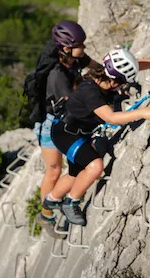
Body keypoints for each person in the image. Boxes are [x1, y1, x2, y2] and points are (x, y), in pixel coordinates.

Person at [44, 48, 150, 226]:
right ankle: (70, 202)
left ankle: (52, 199)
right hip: (67, 134)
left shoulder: (102, 73)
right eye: (123, 83)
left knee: (75, 173)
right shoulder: (91, 92)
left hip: (73, 132)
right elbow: (111, 118)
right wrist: (142, 113)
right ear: (113, 81)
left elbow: (136, 65)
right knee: (95, 166)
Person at [27, 21, 98, 238]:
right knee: (54, 170)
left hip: (63, 121)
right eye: (80, 45)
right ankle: (46, 215)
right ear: (66, 48)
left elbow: (95, 67)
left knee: (66, 168)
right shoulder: (57, 75)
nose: (84, 48)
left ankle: (57, 200)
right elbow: (74, 102)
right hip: (51, 124)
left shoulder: (72, 58)